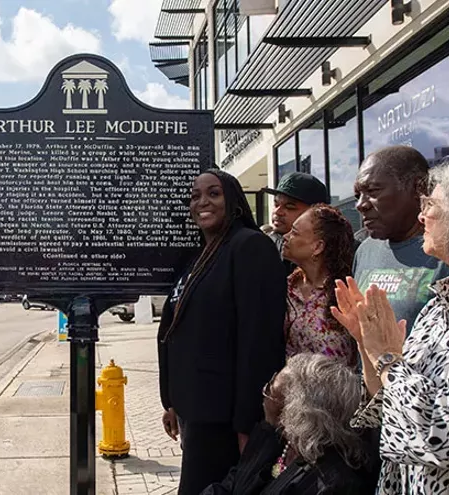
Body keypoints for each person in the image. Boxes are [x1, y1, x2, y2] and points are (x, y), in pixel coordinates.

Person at [333, 154, 449, 494]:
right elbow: (391, 404)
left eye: (432, 205)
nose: (422, 214)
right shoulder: (443, 301)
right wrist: (367, 344)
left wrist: (387, 358)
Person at [158, 168, 287, 495]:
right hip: (196, 413)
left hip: (225, 419)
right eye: (195, 196)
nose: (203, 202)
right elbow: (177, 329)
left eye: (214, 193)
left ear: (233, 201)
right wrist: (171, 400)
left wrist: (247, 424)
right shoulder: (199, 256)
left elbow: (258, 341)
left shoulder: (250, 247)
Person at [201, 353, 373, 495]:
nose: (265, 394)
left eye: (272, 391)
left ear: (299, 412)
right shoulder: (274, 437)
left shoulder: (331, 483)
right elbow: (232, 484)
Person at [352, 145, 449, 335]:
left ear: (418, 188)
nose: (360, 205)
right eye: (358, 195)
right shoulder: (365, 250)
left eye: (373, 191)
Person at [282, 204, 357, 366]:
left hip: (338, 389)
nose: (286, 237)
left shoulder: (344, 294)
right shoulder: (286, 288)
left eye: (294, 233)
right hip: (291, 388)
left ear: (318, 247)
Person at [261, 172, 330, 274]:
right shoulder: (266, 247)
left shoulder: (343, 252)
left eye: (289, 207)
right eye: (276, 204)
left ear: (317, 211)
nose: (277, 212)